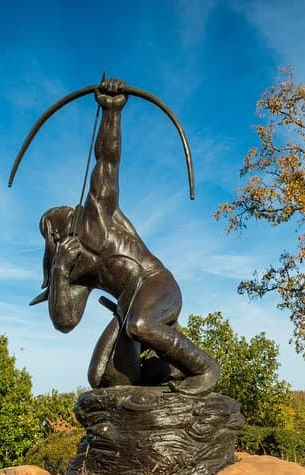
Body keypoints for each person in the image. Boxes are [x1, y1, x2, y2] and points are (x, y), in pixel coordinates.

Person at [35, 77, 219, 394]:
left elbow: (107, 161)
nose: (70, 209)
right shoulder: (75, 264)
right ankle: (161, 369)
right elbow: (65, 322)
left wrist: (112, 111)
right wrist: (60, 270)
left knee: (140, 325)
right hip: (128, 305)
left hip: (156, 284)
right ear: (56, 235)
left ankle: (204, 367)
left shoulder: (98, 214)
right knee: (103, 377)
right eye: (63, 214)